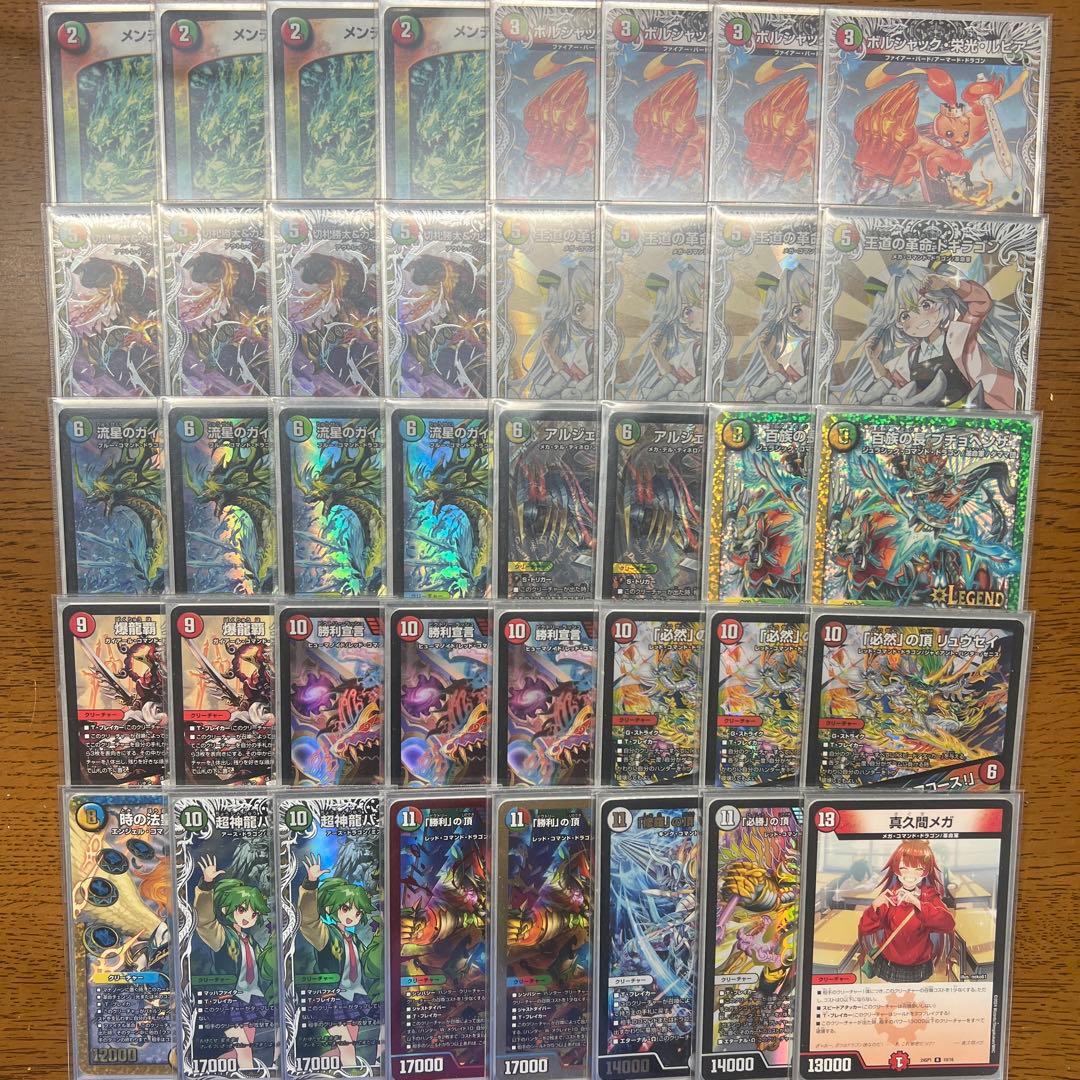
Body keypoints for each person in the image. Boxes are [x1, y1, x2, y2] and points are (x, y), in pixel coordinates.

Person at [857, 840, 955, 983]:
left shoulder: (929, 897)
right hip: (888, 965)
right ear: (896, 869)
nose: (910, 874)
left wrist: (917, 903)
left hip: (920, 968)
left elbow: (948, 924)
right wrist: (874, 907)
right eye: (904, 868)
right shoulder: (889, 896)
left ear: (925, 872)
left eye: (918, 869)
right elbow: (865, 928)